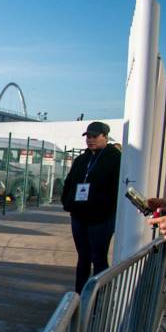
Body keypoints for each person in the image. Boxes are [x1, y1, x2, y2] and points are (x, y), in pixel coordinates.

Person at [61, 121, 121, 293]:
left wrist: (105, 207)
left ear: (105, 137)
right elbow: (69, 182)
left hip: (101, 218)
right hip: (79, 217)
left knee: (98, 257)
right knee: (83, 257)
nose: (90, 140)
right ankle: (80, 295)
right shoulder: (82, 159)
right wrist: (68, 203)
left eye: (95, 136)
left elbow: (116, 188)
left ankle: (101, 296)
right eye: (88, 136)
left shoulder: (115, 158)